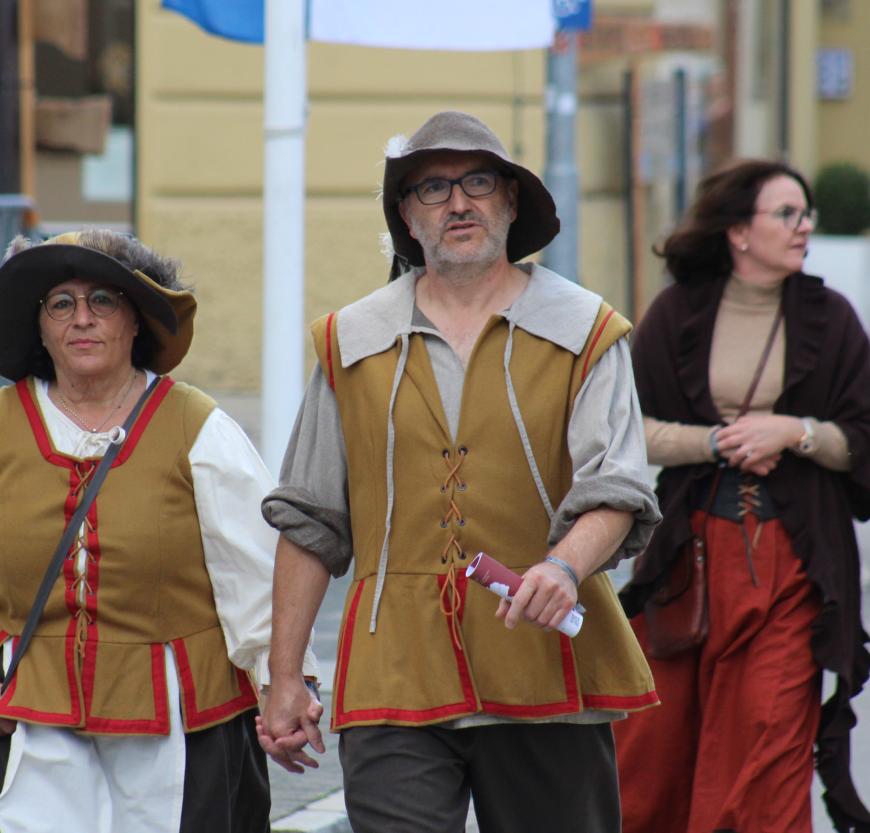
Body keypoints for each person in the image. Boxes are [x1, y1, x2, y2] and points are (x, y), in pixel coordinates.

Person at [256, 110, 662, 833]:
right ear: (407, 218)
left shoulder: (585, 330)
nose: (458, 203)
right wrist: (284, 675)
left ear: (510, 201)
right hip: (392, 671)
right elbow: (309, 519)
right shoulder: (351, 341)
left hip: (543, 664)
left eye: (477, 182)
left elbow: (617, 486)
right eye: (433, 188)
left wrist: (563, 568)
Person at [0, 229, 317, 833]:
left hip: (182, 725)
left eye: (102, 301)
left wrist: (284, 686)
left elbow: (256, 578)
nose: (82, 319)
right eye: (61, 304)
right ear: (39, 327)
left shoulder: (200, 428)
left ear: (136, 319)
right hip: (29, 720)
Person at [615, 160, 870, 833]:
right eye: (787, 213)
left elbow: (862, 437)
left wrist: (797, 432)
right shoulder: (678, 313)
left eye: (807, 213)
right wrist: (716, 441)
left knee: (764, 748)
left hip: (794, 564)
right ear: (738, 231)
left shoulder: (832, 320)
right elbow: (628, 429)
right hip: (687, 559)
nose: (804, 226)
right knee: (651, 757)